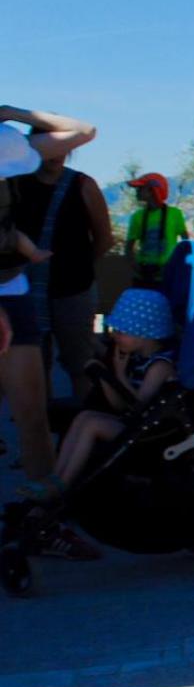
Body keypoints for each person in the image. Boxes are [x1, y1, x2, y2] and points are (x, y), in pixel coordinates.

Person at [0, 110, 99, 495]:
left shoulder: (8, 146)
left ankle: (43, 518)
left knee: (32, 413)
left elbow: (85, 130)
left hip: (14, 289)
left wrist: (13, 113)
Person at [22, 288, 179, 508]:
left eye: (121, 331)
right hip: (134, 425)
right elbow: (119, 405)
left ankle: (63, 484)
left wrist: (120, 375)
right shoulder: (135, 358)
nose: (114, 335)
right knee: (84, 416)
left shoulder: (160, 366)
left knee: (92, 424)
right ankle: (55, 477)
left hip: (149, 433)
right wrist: (107, 376)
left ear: (144, 334)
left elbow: (138, 407)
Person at [14, 131, 112, 395]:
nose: (57, 154)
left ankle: (83, 422)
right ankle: (43, 423)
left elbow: (104, 237)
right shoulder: (17, 185)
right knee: (33, 365)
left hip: (74, 289)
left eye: (63, 147)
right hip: (27, 288)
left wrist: (78, 265)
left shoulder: (82, 185)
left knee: (80, 362)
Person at [124, 172, 188, 285]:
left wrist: (178, 265)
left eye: (140, 188)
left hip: (168, 273)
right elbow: (129, 247)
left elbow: (186, 243)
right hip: (143, 273)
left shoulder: (174, 214)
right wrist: (135, 267)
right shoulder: (137, 217)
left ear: (153, 190)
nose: (137, 191)